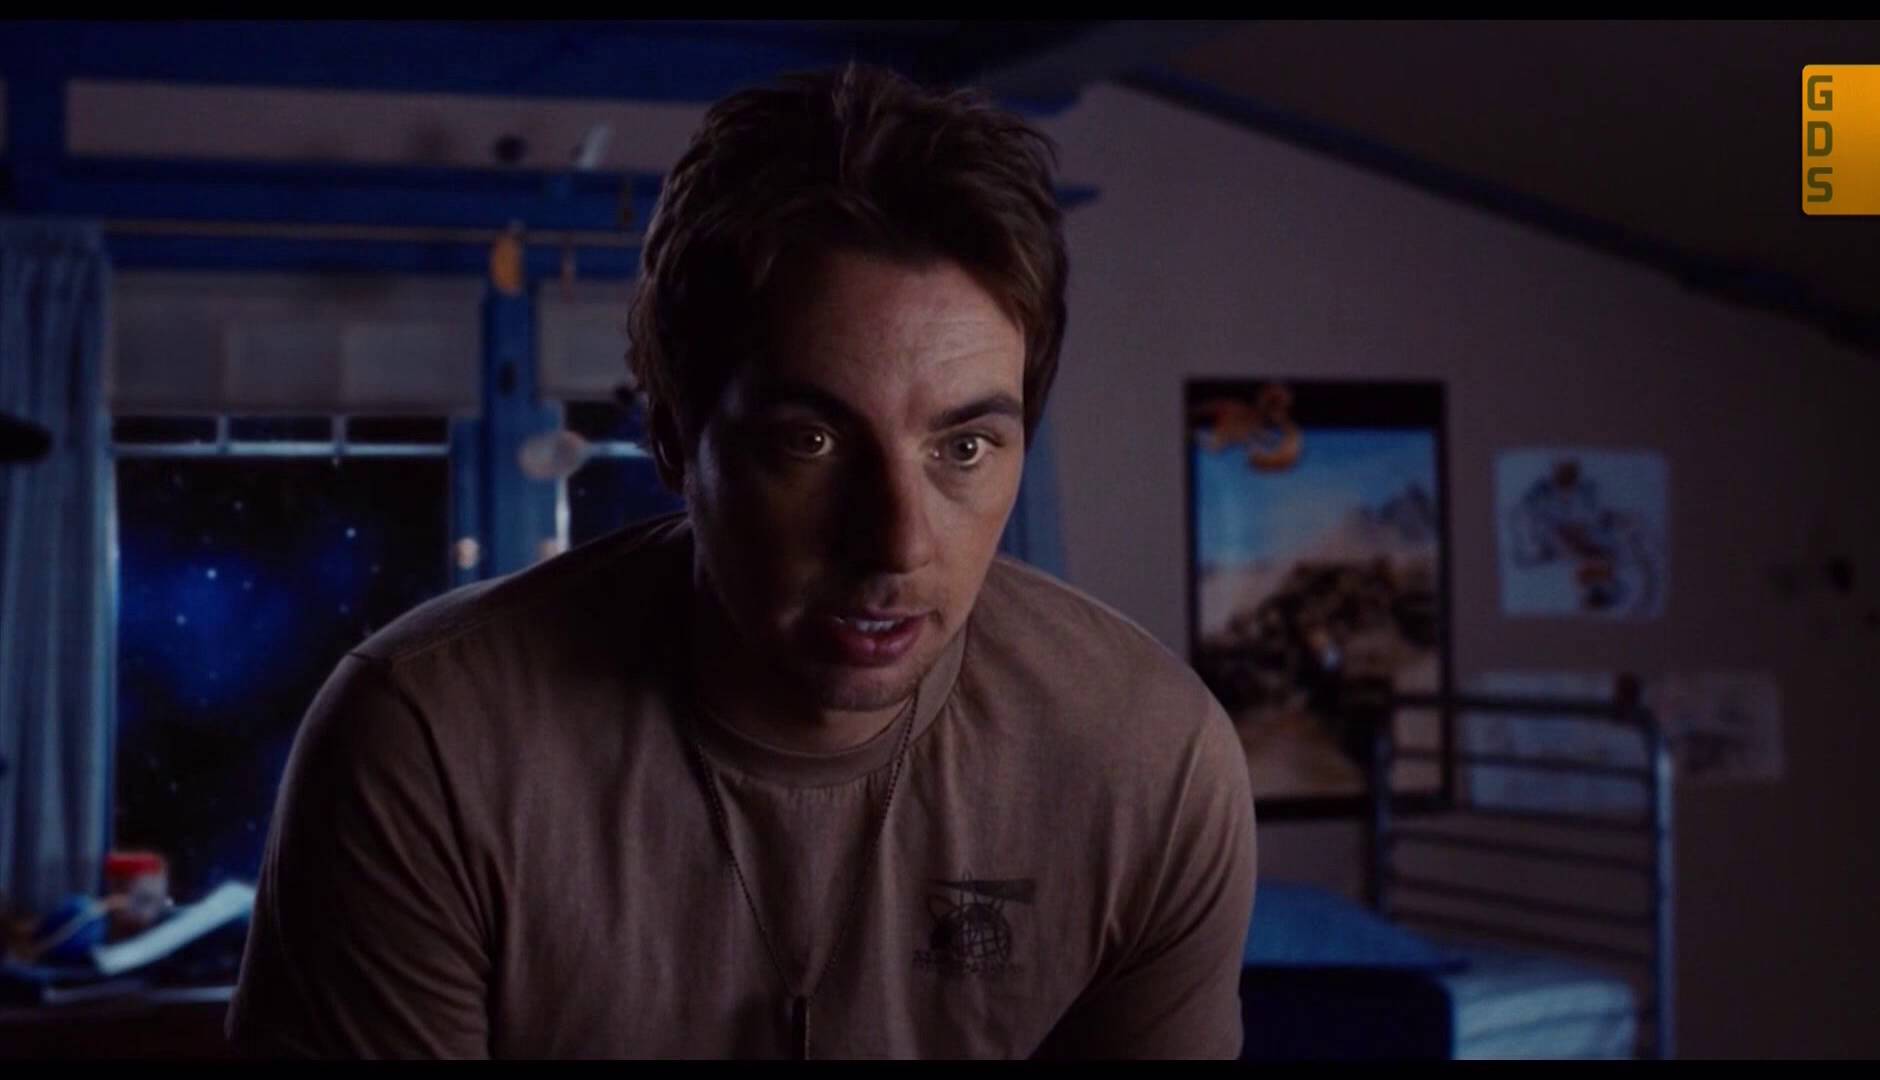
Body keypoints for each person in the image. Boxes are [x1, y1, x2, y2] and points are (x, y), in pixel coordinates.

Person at [227, 62, 1256, 1060]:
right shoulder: (429, 744)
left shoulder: (1146, 761)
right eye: (810, 441)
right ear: (674, 437)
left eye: (965, 448)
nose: (897, 544)